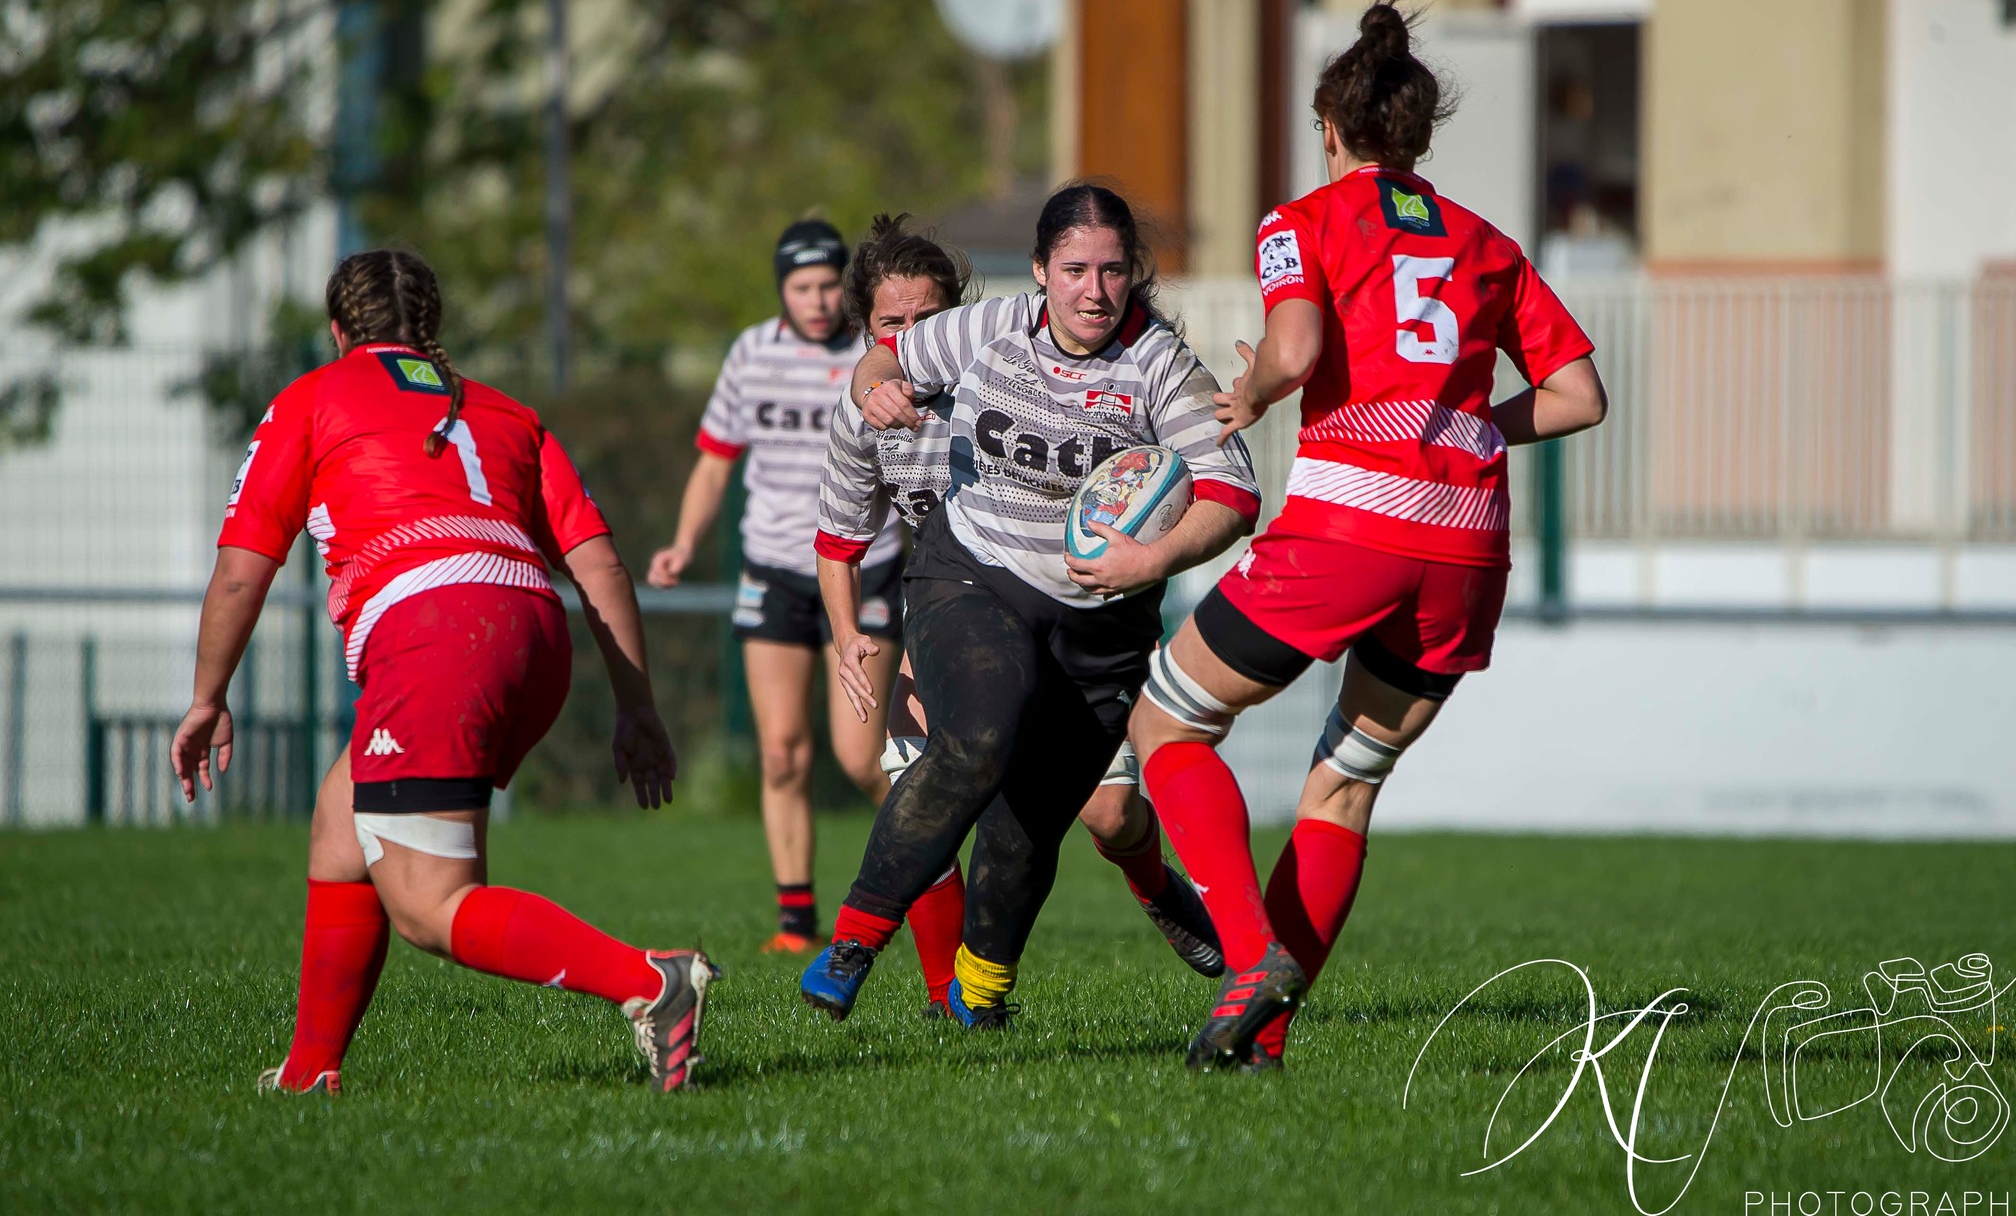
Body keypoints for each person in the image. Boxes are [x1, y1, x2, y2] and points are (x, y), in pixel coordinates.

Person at [1126, 0, 1611, 1071]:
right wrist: (1465, 423)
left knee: (1164, 728)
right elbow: (1578, 396)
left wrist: (1249, 390)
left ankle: (1250, 962)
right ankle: (1262, 1044)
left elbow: (1293, 349)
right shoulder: (1486, 245)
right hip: (1467, 544)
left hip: (1351, 524)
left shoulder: (1301, 222)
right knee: (1342, 783)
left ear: (1328, 128)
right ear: (1420, 138)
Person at [171, 249, 717, 1096]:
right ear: (433, 331)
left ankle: (653, 982)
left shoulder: (311, 399)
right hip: (533, 630)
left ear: (338, 329)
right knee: (340, 820)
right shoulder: (508, 412)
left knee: (428, 904)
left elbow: (244, 570)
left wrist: (208, 697)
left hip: (438, 631)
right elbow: (601, 568)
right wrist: (636, 706)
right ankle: (311, 1071)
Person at [798, 185, 1261, 1028]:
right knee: (979, 735)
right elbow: (883, 361)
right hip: (974, 574)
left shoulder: (1160, 364)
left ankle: (980, 995)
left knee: (1028, 826)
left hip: (1104, 623)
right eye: (1075, 269)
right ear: (1042, 270)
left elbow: (1233, 496)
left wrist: (1151, 556)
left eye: (1113, 271)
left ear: (1133, 277)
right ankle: (856, 939)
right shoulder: (991, 326)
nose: (1094, 290)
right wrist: (874, 385)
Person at [646, 220, 900, 953]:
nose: (818, 300)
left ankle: (930, 869)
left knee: (861, 759)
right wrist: (684, 542)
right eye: (803, 287)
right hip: (774, 572)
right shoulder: (751, 353)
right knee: (782, 751)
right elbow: (715, 461)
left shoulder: (874, 353)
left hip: (861, 568)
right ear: (781, 290)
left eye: (828, 285)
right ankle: (796, 920)